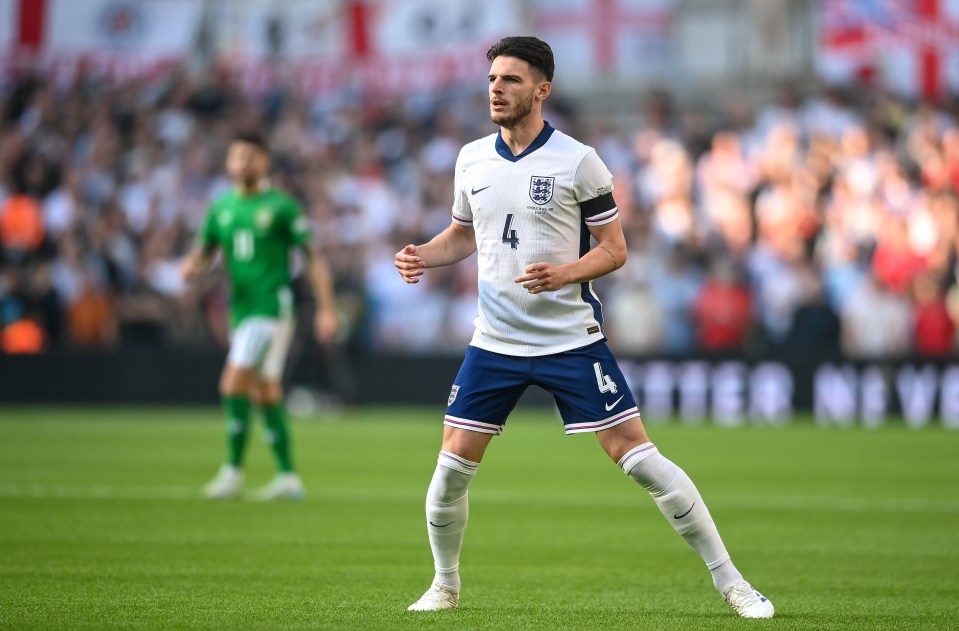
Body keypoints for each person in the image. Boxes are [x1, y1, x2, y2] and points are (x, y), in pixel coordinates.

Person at [395, 36, 774, 618]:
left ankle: (734, 584)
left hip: (569, 340)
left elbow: (616, 250)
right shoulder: (471, 158)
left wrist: (565, 273)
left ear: (542, 90)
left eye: (512, 79)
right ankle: (444, 586)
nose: (496, 88)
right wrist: (423, 252)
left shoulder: (577, 161)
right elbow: (465, 237)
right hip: (493, 342)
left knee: (641, 460)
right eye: (493, 78)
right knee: (449, 471)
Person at [181, 132, 338, 500]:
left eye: (250, 157)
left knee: (232, 383)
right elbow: (205, 248)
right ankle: (287, 478)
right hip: (241, 309)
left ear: (265, 162)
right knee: (265, 390)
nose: (243, 163)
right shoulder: (221, 207)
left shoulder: (281, 207)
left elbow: (313, 257)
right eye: (237, 157)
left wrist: (327, 308)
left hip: (271, 307)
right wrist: (192, 265)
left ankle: (232, 472)